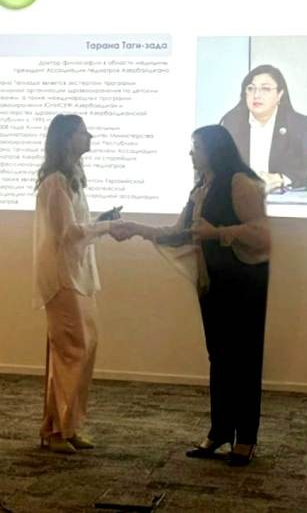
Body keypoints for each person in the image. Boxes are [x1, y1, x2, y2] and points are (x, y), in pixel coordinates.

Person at [112, 125, 270, 466]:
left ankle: (246, 438)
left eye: (196, 146)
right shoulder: (200, 187)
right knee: (220, 358)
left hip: (243, 283)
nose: (190, 153)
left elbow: (261, 235)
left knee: (244, 360)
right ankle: (220, 431)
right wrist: (137, 229)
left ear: (215, 149)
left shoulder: (239, 183)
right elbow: (180, 233)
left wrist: (218, 233)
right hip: (212, 283)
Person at [33, 114, 116, 454]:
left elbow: (76, 226)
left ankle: (66, 425)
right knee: (71, 351)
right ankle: (57, 430)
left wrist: (100, 222)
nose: (90, 136)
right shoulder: (55, 182)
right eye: (83, 132)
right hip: (63, 277)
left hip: (79, 275)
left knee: (84, 348)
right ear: (67, 139)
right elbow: (67, 234)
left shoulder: (73, 178)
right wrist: (106, 228)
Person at [220, 64, 307, 192]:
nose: (256, 95)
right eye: (251, 88)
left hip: (282, 200)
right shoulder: (231, 123)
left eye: (265, 89)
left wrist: (280, 179)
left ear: (279, 94)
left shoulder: (298, 124)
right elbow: (213, 165)